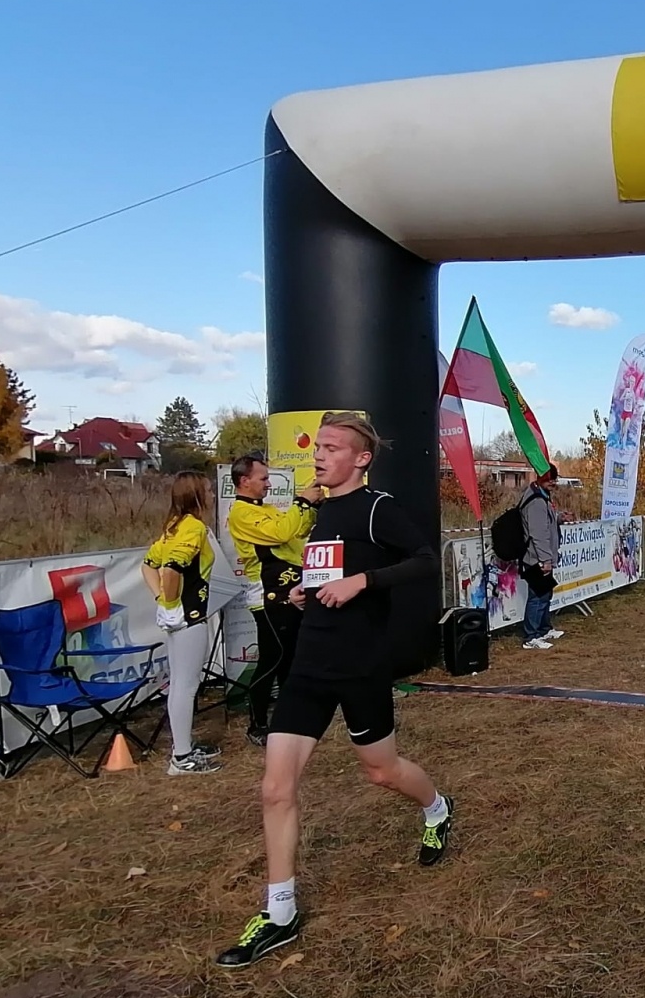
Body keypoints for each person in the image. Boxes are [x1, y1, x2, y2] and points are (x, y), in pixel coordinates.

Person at [215, 413, 449, 968]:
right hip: (309, 666)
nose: (319, 455)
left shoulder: (377, 508)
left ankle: (437, 808)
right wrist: (307, 590)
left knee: (381, 771)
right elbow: (328, 572)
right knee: (275, 789)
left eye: (332, 447)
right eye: (318, 446)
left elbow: (424, 561)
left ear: (361, 459)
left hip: (360, 666)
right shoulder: (320, 513)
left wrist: (361, 582)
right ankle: (280, 914)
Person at [227, 455, 321, 745]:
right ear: (245, 481)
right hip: (267, 596)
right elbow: (280, 532)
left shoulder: (266, 509)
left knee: (290, 659)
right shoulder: (241, 513)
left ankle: (289, 718)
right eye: (263, 478)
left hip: (291, 589)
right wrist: (301, 502)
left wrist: (311, 509)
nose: (268, 484)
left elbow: (295, 533)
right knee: (271, 660)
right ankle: (257, 725)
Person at [142, 472, 222, 776]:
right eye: (209, 491)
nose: (213, 495)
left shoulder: (172, 527)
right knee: (186, 686)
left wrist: (161, 601)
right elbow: (172, 567)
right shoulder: (194, 528)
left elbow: (148, 565)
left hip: (179, 617)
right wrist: (172, 604)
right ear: (198, 496)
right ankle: (182, 757)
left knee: (180, 684)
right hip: (190, 617)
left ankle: (183, 746)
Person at [519, 465, 563, 650]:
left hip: (541, 557)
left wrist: (559, 518)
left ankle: (544, 629)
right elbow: (538, 533)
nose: (554, 483)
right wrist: (546, 560)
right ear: (542, 478)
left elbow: (545, 523)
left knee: (545, 593)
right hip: (535, 558)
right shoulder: (536, 501)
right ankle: (531, 636)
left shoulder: (542, 496)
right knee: (537, 596)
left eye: (554, 479)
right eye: (551, 479)